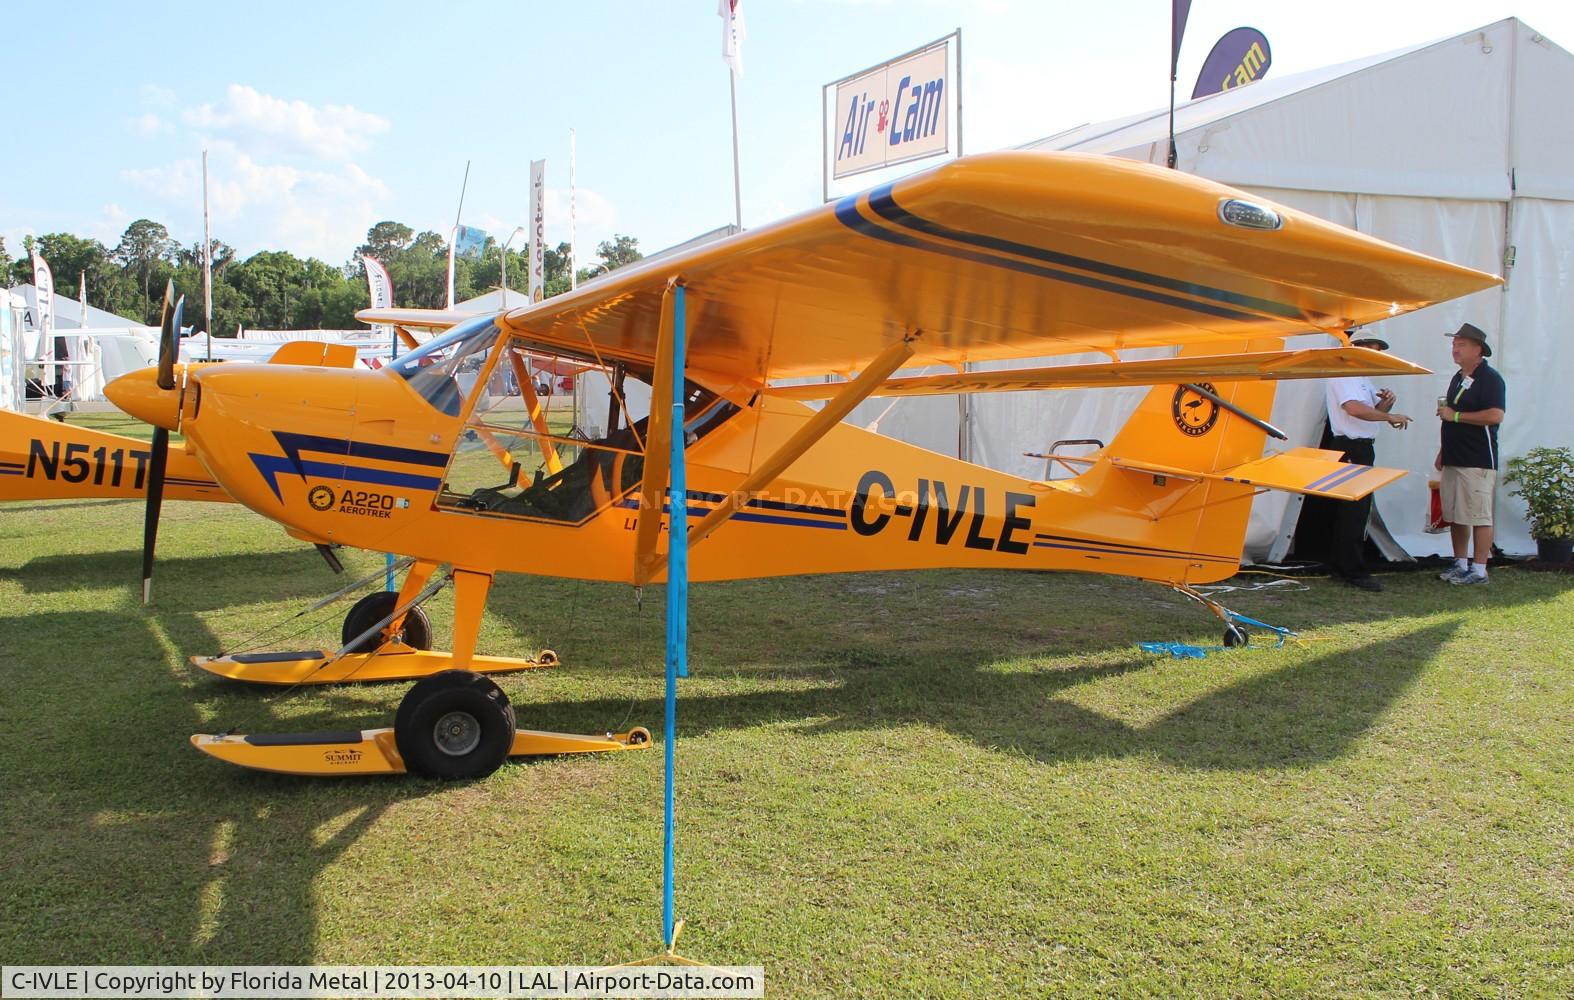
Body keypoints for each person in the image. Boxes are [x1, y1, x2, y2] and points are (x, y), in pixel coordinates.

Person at [1320, 332, 1412, 591]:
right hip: (1350, 446)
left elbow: (1369, 413)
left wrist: (1384, 405)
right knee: (1353, 511)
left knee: (1355, 510)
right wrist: (1389, 415)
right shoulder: (1345, 375)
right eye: (1372, 352)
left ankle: (1344, 565)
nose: (1376, 357)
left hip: (1360, 446)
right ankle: (1352, 570)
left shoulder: (1360, 378)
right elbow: (1354, 409)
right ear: (1358, 351)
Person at [1435, 322, 1506, 585]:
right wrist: (1443, 451)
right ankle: (1460, 562)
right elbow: (1451, 417)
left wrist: (1456, 416)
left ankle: (1479, 569)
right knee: (1455, 513)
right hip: (1455, 455)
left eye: (1461, 344)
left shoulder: (1490, 378)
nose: (1455, 349)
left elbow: (1496, 414)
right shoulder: (1458, 377)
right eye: (1454, 344)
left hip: (1477, 459)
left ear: (1478, 350)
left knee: (1478, 514)